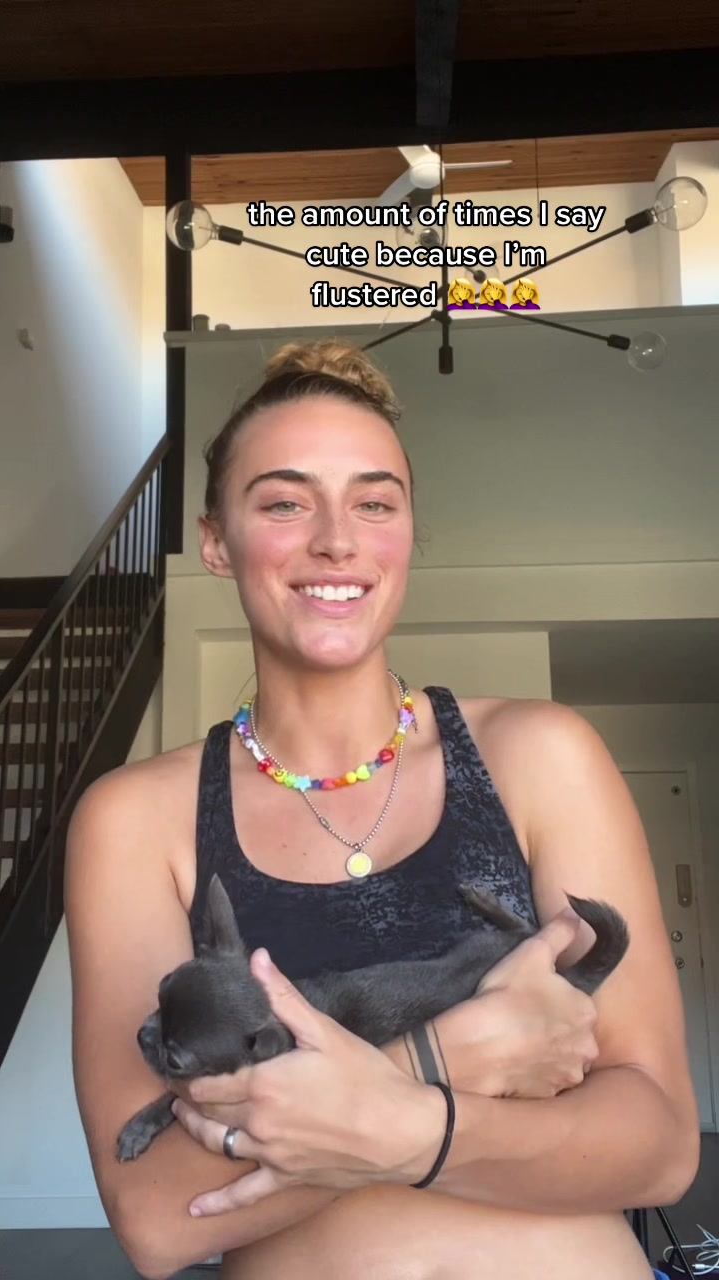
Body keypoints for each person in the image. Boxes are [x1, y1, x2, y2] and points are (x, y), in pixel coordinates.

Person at [64, 340, 700, 1280]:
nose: (337, 539)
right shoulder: (134, 819)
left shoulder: (541, 755)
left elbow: (659, 1144)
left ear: (406, 533)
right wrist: (440, 1062)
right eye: (284, 503)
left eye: (374, 502)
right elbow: (157, 1214)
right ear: (216, 541)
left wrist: (401, 1127)